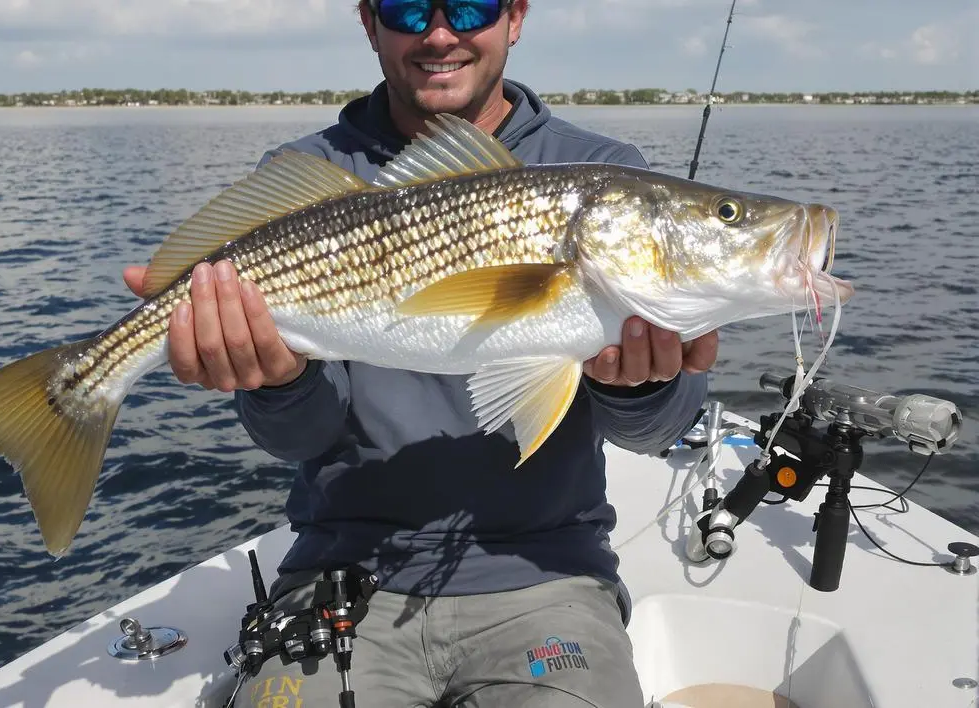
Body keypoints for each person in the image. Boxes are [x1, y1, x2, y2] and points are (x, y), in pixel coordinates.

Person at [123, 0, 719, 705]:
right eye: (408, 8)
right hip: (344, 571)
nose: (440, 34)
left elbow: (652, 432)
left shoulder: (604, 172)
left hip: (547, 573)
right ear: (369, 22)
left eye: (471, 6)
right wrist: (277, 383)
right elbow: (298, 439)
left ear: (515, 17)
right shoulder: (306, 175)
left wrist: (639, 387)